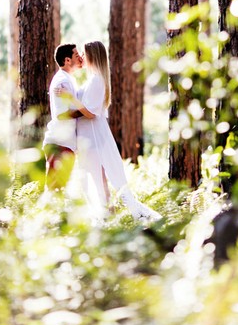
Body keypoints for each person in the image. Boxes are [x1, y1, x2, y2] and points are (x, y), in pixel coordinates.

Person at [58, 40, 161, 222]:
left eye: (84, 53)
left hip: (95, 136)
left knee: (104, 177)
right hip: (89, 136)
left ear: (92, 56)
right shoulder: (92, 79)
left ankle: (116, 215)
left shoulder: (97, 80)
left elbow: (89, 113)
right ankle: (106, 215)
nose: (81, 57)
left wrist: (70, 100)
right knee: (96, 178)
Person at [42, 43, 83, 192]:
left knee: (60, 188)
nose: (80, 58)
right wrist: (86, 112)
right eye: (76, 55)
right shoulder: (62, 81)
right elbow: (62, 114)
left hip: (65, 144)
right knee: (55, 189)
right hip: (59, 144)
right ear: (67, 60)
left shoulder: (69, 78)